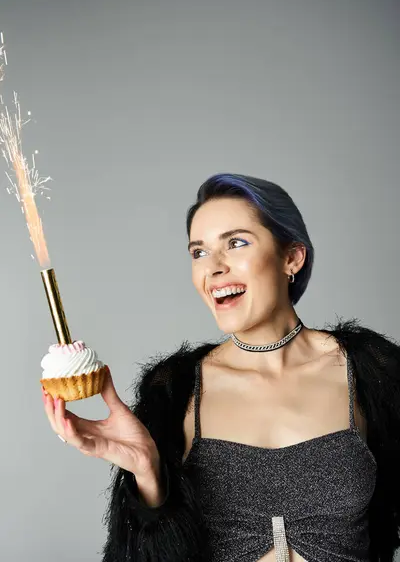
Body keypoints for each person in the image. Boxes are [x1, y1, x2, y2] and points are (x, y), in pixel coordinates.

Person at [42, 173, 400, 562]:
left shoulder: (370, 371)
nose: (213, 268)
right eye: (198, 252)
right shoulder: (175, 388)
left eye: (236, 243)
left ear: (291, 257)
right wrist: (147, 471)